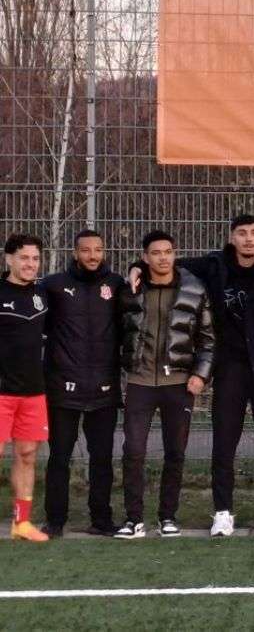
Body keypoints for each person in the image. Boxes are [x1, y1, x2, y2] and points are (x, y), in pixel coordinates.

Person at [143, 215, 254, 538]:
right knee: (224, 445)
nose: (249, 239)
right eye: (242, 233)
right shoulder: (215, 267)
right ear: (232, 238)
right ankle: (223, 512)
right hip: (229, 370)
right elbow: (167, 263)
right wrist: (136, 267)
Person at [116, 231, 214, 539]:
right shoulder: (131, 288)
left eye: (168, 251)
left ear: (175, 254)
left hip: (179, 383)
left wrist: (201, 374)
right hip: (139, 381)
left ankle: (168, 517)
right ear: (145, 258)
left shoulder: (194, 289)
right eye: (155, 253)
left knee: (175, 451)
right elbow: (116, 330)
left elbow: (209, 339)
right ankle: (134, 519)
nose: (162, 257)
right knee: (133, 450)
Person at [41, 230, 124, 538]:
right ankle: (55, 521)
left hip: (104, 387)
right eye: (86, 250)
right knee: (59, 458)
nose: (92, 256)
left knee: (102, 459)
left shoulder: (116, 285)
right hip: (63, 388)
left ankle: (101, 520)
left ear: (104, 252)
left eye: (98, 250)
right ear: (75, 253)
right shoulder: (53, 285)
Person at [1, 234, 51, 542]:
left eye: (35, 258)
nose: (30, 264)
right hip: (1, 392)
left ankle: (21, 523)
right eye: (24, 258)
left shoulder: (44, 294)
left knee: (28, 454)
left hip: (34, 391)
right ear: (8, 259)